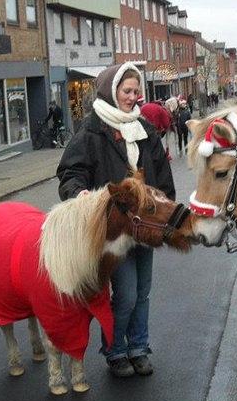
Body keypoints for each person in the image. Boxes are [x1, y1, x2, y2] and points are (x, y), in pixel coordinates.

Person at [57, 62, 175, 378]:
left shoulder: (145, 128)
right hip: (115, 229)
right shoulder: (92, 130)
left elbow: (163, 177)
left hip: (145, 227)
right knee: (126, 294)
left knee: (144, 292)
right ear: (112, 91)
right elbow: (71, 172)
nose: (133, 97)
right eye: (127, 91)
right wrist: (79, 194)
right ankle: (115, 349)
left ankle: (139, 347)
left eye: (137, 91)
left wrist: (164, 210)